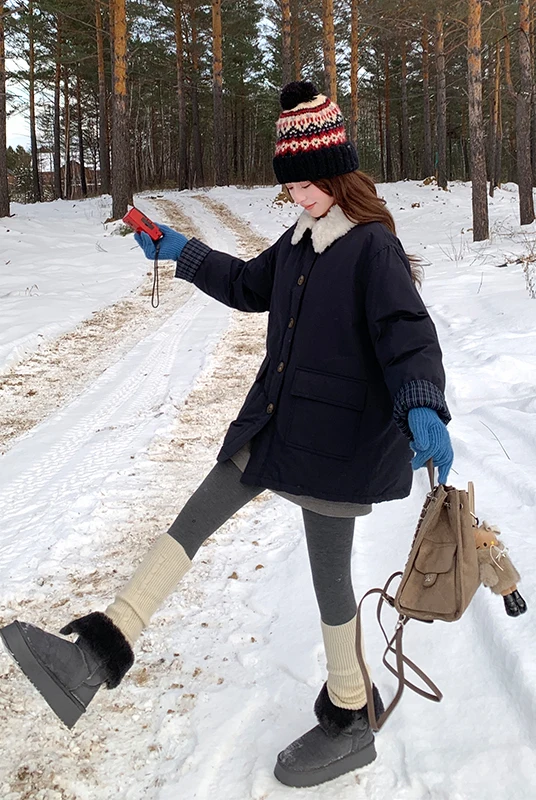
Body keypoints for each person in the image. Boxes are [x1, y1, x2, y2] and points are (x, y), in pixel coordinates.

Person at [0, 81, 453, 788]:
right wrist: (179, 249)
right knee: (189, 524)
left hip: (339, 444)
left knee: (331, 583)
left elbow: (408, 336)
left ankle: (350, 715)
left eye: (306, 185)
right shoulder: (300, 240)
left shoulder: (372, 251)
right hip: (275, 421)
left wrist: (423, 401)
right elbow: (249, 286)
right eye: (290, 187)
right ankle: (94, 654)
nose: (296, 197)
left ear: (338, 174)